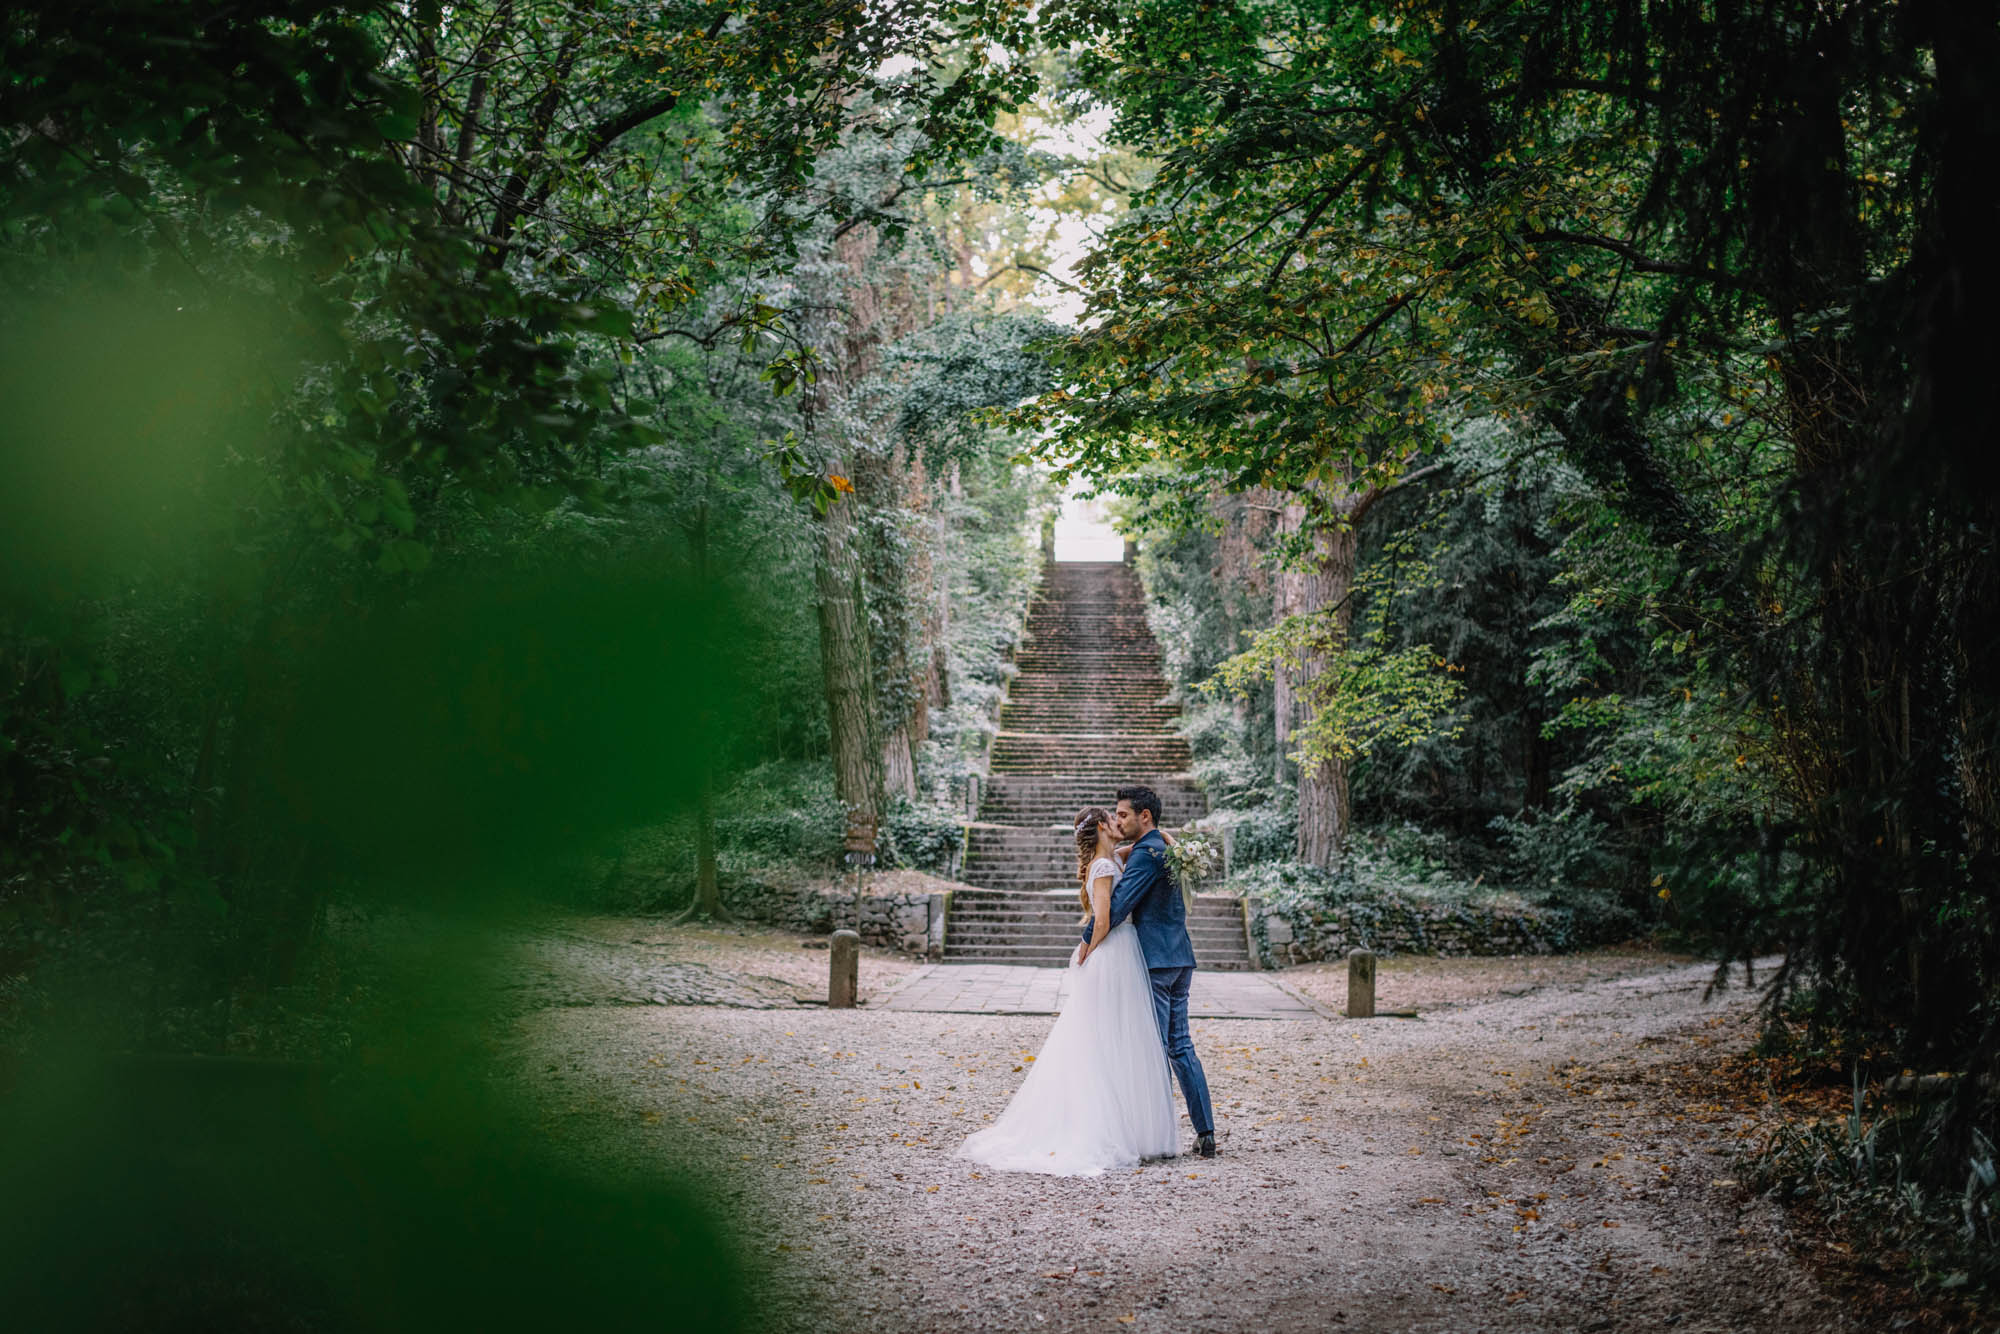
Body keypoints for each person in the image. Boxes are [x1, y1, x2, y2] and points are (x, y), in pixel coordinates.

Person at [954, 805, 1179, 1176]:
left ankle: (1128, 1124)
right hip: (1113, 953)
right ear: (1104, 827)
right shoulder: (1104, 868)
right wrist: (1087, 952)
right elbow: (1103, 920)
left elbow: (1143, 847)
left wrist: (1167, 838)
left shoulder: (1112, 858)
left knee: (1114, 1035)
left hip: (1119, 952)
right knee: (1109, 1037)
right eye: (1114, 818)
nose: (1120, 823)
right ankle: (1105, 1125)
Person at [1082, 784, 1217, 1159]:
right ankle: (1205, 1132)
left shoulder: (1146, 854)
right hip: (1181, 958)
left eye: (1123, 814)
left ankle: (1155, 1138)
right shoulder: (1162, 846)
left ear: (1145, 816)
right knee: (1181, 1045)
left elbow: (1120, 906)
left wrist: (1084, 941)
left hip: (1155, 964)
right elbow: (1147, 849)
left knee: (1153, 1049)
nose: (1118, 820)